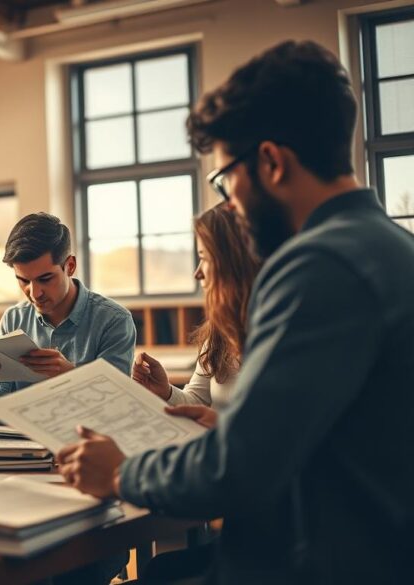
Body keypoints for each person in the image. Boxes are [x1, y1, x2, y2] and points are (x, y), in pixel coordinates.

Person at [58, 40, 414, 584]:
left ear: (271, 162)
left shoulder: (317, 265)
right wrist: (230, 427)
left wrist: (123, 472)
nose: (231, 206)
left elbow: (236, 470)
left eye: (225, 181)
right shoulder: (388, 246)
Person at [0, 212, 136, 420]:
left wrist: (71, 376)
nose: (34, 293)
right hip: (25, 448)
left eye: (45, 279)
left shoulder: (114, 321)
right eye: (23, 281)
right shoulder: (13, 320)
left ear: (70, 266)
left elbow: (117, 412)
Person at [133, 202, 261, 428]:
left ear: (232, 263)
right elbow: (197, 400)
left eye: (205, 257)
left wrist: (221, 426)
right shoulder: (220, 330)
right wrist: (166, 391)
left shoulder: (275, 329)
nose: (197, 272)